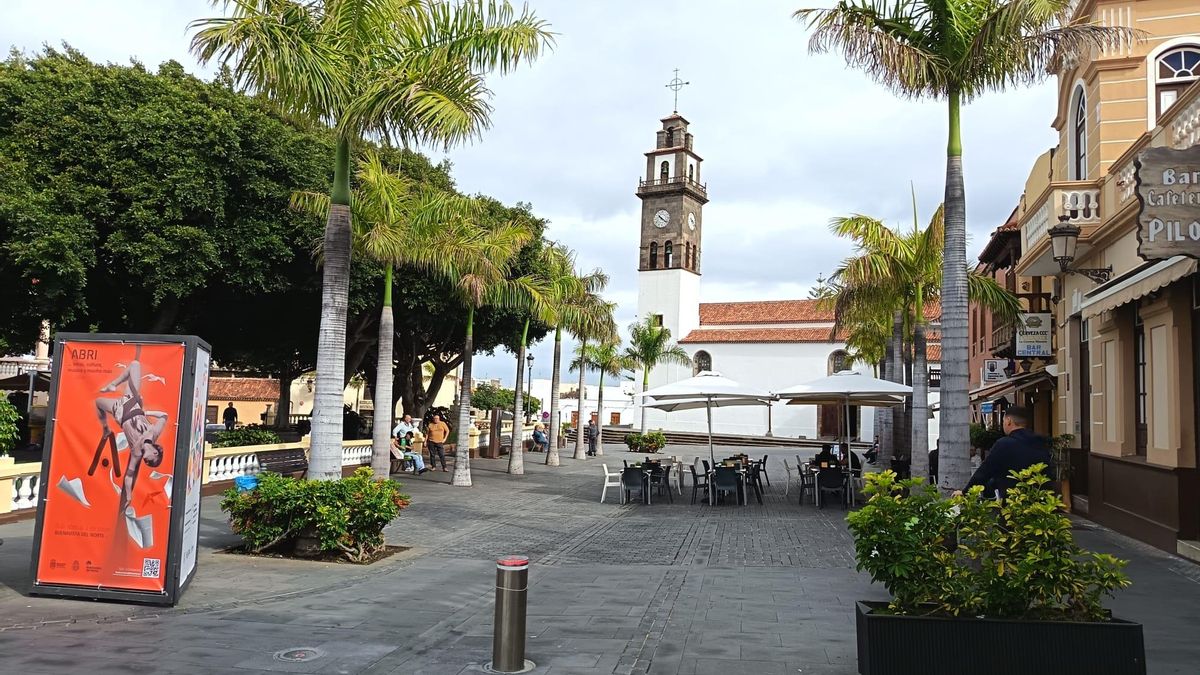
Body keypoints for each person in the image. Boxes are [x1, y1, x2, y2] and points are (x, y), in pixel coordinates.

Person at [93, 345, 169, 515]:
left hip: (119, 412)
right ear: (155, 453)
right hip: (132, 402)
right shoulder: (153, 433)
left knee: (98, 402)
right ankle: (113, 384)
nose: (146, 460)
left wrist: (128, 495)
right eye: (149, 460)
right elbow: (164, 416)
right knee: (135, 365)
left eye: (147, 462)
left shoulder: (136, 452)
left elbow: (129, 475)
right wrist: (147, 412)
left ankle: (105, 427)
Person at [960, 406, 1053, 500]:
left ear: (1008, 421)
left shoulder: (1004, 444)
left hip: (1013, 503)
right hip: (1041, 502)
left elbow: (985, 471)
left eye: (1003, 420)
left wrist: (965, 492)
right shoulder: (1041, 442)